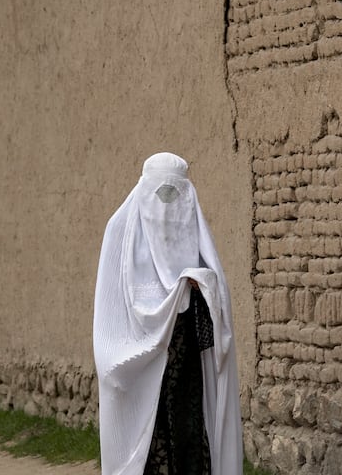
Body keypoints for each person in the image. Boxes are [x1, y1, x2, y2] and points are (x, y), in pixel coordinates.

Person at [93, 152, 243, 475]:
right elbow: (109, 326)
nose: (168, 209)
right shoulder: (120, 235)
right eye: (160, 195)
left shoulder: (199, 244)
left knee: (188, 447)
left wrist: (202, 286)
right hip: (139, 388)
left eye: (176, 197)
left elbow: (219, 324)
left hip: (185, 376)